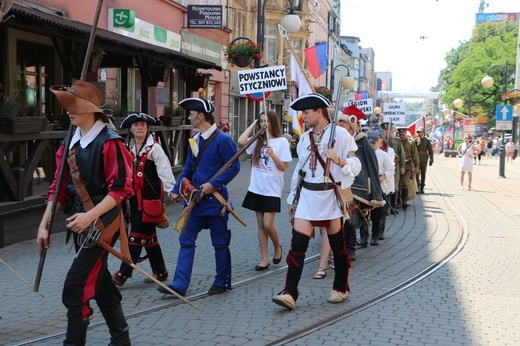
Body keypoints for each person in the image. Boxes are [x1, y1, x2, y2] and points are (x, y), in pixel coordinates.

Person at [36, 81, 134, 345]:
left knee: (75, 288)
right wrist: (43, 225)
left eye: (74, 106)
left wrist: (89, 217)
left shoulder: (111, 143)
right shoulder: (69, 143)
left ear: (91, 110)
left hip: (104, 222)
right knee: (99, 282)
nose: (68, 111)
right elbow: (58, 189)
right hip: (82, 224)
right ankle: (121, 340)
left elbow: (122, 189)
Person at [271, 93, 361, 310]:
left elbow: (356, 164)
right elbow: (299, 171)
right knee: (298, 245)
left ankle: (341, 288)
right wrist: (293, 198)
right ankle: (290, 293)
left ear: (319, 112)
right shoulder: (304, 138)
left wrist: (337, 160)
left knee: (338, 247)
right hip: (308, 196)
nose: (303, 117)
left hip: (330, 195)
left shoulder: (341, 134)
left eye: (307, 112)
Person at [159, 98, 240, 297]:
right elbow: (188, 167)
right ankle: (179, 284)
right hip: (194, 202)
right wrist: (177, 188)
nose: (188, 116)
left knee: (220, 242)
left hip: (215, 201)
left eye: (191, 113)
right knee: (186, 239)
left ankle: (222, 281)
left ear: (201, 116)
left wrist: (213, 184)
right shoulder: (195, 138)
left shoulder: (224, 140)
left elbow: (235, 167)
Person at [112, 113, 176, 286]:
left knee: (136, 236)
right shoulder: (128, 147)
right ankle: (161, 272)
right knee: (148, 237)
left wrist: (173, 190)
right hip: (131, 201)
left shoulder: (155, 149)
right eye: (136, 125)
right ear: (131, 129)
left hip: (150, 200)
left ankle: (122, 274)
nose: (140, 127)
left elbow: (164, 170)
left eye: (143, 125)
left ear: (147, 128)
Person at [237, 110, 291, 271]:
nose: (263, 124)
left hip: (272, 189)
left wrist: (273, 155)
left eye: (266, 121)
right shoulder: (257, 141)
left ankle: (277, 247)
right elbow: (241, 141)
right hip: (256, 187)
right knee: (260, 225)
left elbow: (283, 167)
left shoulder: (282, 142)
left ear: (273, 122)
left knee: (268, 224)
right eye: (261, 121)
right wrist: (254, 124)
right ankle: (264, 259)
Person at [337, 105, 384, 250]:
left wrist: (375, 193)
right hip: (339, 184)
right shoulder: (336, 139)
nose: (340, 125)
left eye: (343, 123)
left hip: (357, 187)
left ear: (351, 125)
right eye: (339, 122)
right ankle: (340, 246)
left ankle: (351, 248)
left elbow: (372, 166)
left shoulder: (362, 142)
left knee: (351, 219)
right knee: (339, 219)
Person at [363, 130, 394, 245]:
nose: (372, 145)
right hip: (366, 187)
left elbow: (391, 169)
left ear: (378, 142)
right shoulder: (363, 154)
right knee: (364, 214)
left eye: (374, 143)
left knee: (377, 215)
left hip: (379, 187)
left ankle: (375, 236)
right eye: (369, 143)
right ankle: (363, 237)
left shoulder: (383, 155)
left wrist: (383, 176)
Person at [381, 122, 405, 213]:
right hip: (383, 167)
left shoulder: (397, 141)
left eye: (389, 129)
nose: (388, 131)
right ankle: (386, 205)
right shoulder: (380, 141)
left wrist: (402, 166)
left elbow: (402, 155)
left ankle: (392, 205)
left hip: (395, 166)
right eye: (386, 130)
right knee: (384, 186)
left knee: (394, 186)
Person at [397, 127, 419, 210]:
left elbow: (415, 155)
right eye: (400, 134)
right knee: (398, 184)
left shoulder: (410, 143)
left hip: (407, 166)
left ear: (406, 134)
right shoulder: (396, 142)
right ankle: (398, 200)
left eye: (403, 134)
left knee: (405, 183)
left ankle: (404, 201)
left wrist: (417, 166)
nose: (401, 136)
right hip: (398, 166)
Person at [414, 127, 433, 194]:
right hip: (417, 159)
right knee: (416, 174)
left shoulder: (427, 141)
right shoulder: (416, 140)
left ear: (423, 133)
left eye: (421, 132)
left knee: (423, 174)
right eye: (419, 132)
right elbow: (413, 150)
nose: (419, 133)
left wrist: (431, 160)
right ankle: (417, 187)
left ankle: (422, 188)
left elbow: (430, 151)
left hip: (424, 159)